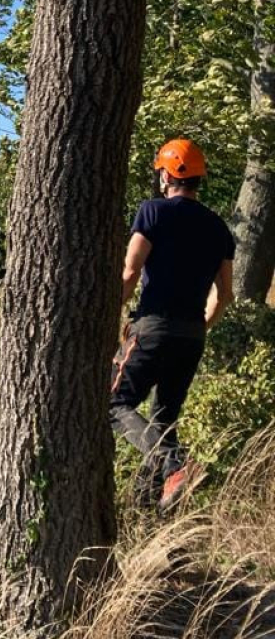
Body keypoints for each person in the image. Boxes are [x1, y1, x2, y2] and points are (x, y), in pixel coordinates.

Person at [110, 138, 234, 512]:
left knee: (113, 403)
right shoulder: (219, 229)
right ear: (198, 178)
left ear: (167, 174)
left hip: (153, 327)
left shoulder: (153, 212)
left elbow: (130, 272)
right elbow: (225, 295)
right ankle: (152, 517)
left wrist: (107, 315)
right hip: (192, 334)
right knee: (164, 420)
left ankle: (176, 465)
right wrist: (201, 327)